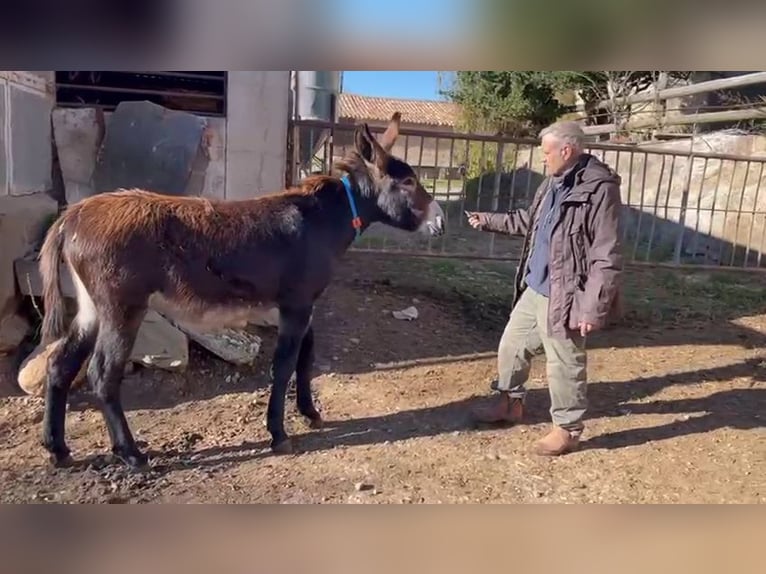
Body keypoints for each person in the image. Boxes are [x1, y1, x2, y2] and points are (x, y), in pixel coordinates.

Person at [465, 120, 624, 456]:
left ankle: (567, 429)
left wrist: (593, 307)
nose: (542, 159)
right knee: (511, 345)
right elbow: (530, 221)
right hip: (536, 285)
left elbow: (605, 253)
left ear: (566, 151)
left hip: (568, 293)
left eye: (547, 152)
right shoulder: (551, 184)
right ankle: (510, 404)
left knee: (564, 360)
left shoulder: (599, 189)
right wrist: (488, 220)